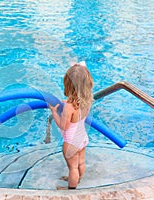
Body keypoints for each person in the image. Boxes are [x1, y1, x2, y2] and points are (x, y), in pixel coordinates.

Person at [49, 61, 93, 190]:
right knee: (80, 163)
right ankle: (77, 179)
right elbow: (76, 109)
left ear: (68, 85)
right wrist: (67, 103)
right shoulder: (88, 100)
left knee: (72, 168)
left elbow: (63, 126)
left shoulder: (69, 107)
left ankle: (71, 190)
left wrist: (54, 112)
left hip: (71, 142)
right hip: (82, 137)